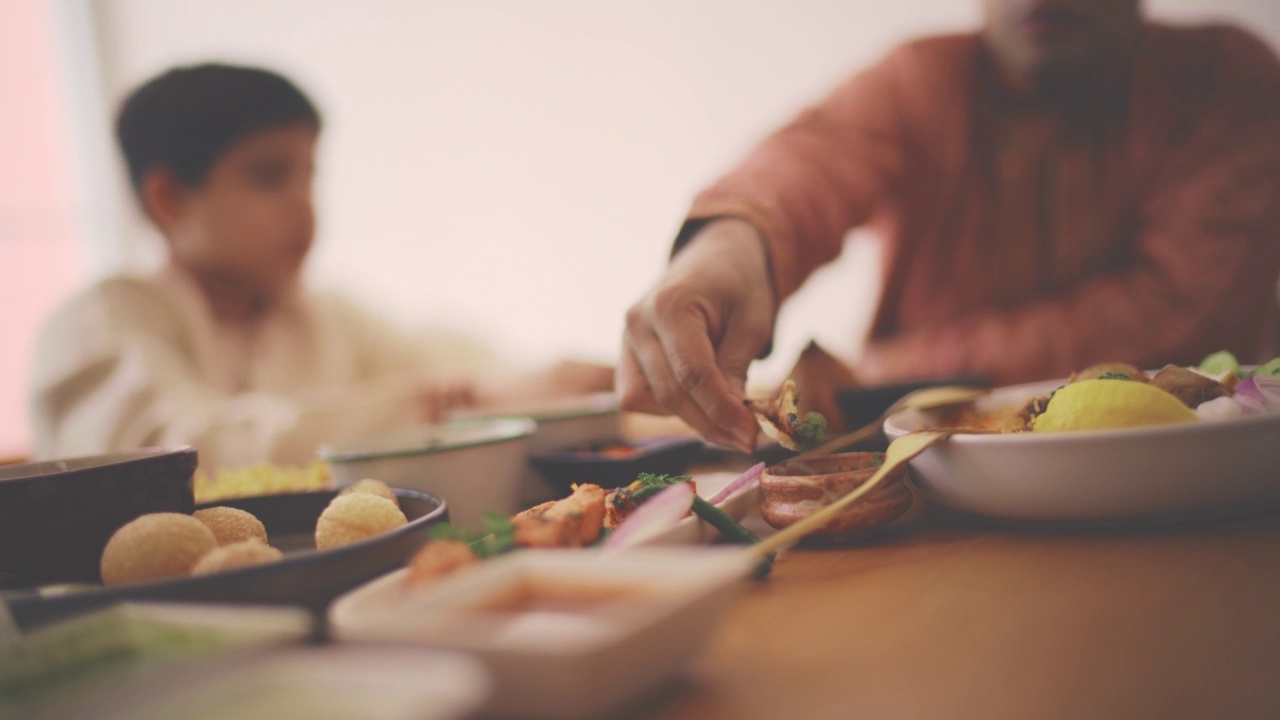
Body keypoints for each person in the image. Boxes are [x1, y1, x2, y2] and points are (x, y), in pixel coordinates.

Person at [619, 0, 1280, 452]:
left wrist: (877, 370)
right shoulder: (922, 81)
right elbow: (813, 156)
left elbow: (1175, 323)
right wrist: (733, 245)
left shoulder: (1228, 82)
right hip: (931, 499)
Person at [30, 63, 612, 469]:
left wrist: (555, 385)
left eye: (310, 175)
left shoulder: (321, 313)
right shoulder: (99, 326)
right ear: (169, 199)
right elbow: (174, 456)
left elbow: (452, 365)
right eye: (269, 175)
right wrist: (464, 402)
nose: (303, 203)